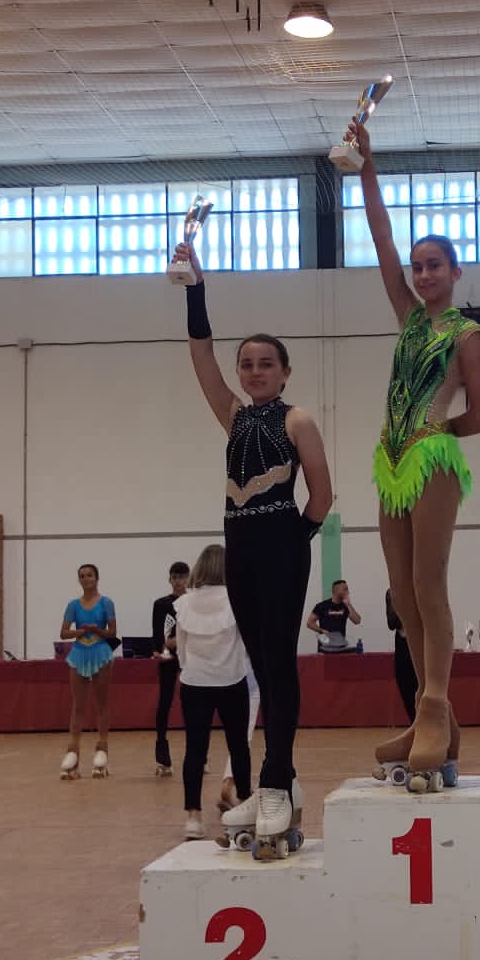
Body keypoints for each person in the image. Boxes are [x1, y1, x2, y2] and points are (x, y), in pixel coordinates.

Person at [170, 240, 333, 855]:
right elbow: (200, 354)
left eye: (267, 364)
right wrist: (196, 289)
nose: (255, 371)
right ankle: (279, 783)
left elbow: (323, 495)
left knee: (279, 664)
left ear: (285, 372)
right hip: (238, 553)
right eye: (247, 364)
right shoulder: (235, 418)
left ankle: (275, 783)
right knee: (261, 667)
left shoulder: (297, 420)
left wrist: (294, 540)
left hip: (281, 550)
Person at [351, 113, 480, 789]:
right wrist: (367, 167)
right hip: (390, 464)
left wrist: (436, 436)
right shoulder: (408, 318)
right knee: (400, 592)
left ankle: (435, 705)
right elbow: (380, 237)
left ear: (456, 272)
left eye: (435, 265)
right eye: (419, 265)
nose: (424, 273)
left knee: (429, 583)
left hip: (432, 459)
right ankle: (428, 710)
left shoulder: (466, 334)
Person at [167, 543, 255, 845]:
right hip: (232, 680)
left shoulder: (184, 603)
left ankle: (193, 817)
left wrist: (192, 671)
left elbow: (181, 648)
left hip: (194, 682)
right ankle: (244, 804)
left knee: (195, 749)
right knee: (239, 746)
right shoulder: (237, 599)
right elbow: (247, 642)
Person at [59, 562, 116, 779]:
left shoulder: (106, 603)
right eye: (82, 576)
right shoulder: (73, 605)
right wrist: (80, 632)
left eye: (89, 575)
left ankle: (102, 748)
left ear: (96, 578)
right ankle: (73, 751)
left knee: (102, 703)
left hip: (100, 653)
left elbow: (112, 632)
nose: (86, 579)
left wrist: (97, 630)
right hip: (79, 654)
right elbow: (64, 633)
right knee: (78, 705)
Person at [151, 559, 190, 773]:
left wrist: (179, 641)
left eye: (181, 578)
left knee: (192, 704)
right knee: (165, 702)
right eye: (174, 578)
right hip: (169, 659)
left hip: (191, 658)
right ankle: (162, 756)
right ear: (169, 580)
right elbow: (158, 634)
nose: (178, 581)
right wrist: (160, 649)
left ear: (188, 579)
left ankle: (198, 755)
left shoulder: (193, 602)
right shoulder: (162, 604)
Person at [386, 588, 418, 723]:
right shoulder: (391, 593)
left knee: (420, 684)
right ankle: (414, 722)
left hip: (419, 641)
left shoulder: (419, 589)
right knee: (404, 683)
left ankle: (425, 722)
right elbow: (391, 623)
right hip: (402, 642)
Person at [308, 579, 361, 653]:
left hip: (340, 646)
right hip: (325, 646)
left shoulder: (345, 606)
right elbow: (310, 623)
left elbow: (357, 621)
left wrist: (348, 605)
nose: (348, 592)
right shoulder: (322, 606)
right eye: (345, 589)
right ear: (336, 590)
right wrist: (321, 630)